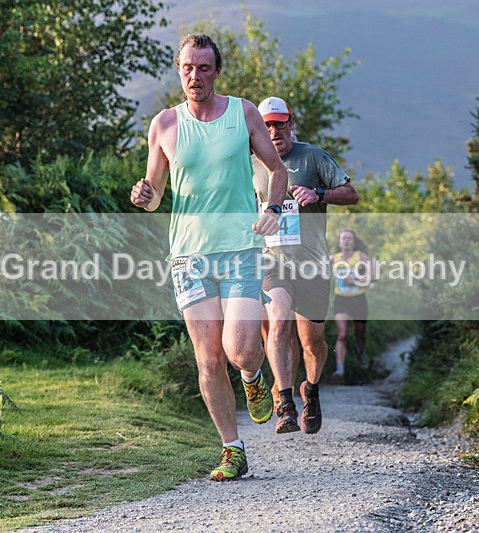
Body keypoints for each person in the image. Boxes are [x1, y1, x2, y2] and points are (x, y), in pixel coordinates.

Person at [129, 34, 288, 481]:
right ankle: (232, 449)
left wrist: (273, 209)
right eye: (187, 68)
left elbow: (278, 170)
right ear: (178, 70)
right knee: (209, 359)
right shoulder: (164, 124)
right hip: (189, 255)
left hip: (241, 248)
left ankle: (254, 378)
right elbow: (156, 194)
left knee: (241, 350)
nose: (194, 76)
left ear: (216, 71)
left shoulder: (244, 112)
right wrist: (143, 196)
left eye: (203, 68)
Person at [252, 96, 358, 434]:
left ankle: (309, 389)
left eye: (279, 124)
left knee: (313, 343)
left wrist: (319, 194)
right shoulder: (250, 163)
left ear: (290, 123)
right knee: (279, 320)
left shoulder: (312, 157)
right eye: (266, 125)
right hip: (273, 262)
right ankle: (285, 402)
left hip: (312, 265)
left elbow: (351, 193)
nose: (273, 131)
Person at [330, 228, 372, 383]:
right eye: (343, 238)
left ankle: (360, 350)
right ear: (340, 242)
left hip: (359, 300)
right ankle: (340, 370)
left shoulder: (361, 257)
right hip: (341, 300)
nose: (346, 241)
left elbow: (373, 277)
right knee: (342, 334)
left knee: (359, 334)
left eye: (349, 238)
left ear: (354, 242)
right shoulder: (333, 258)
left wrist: (355, 280)